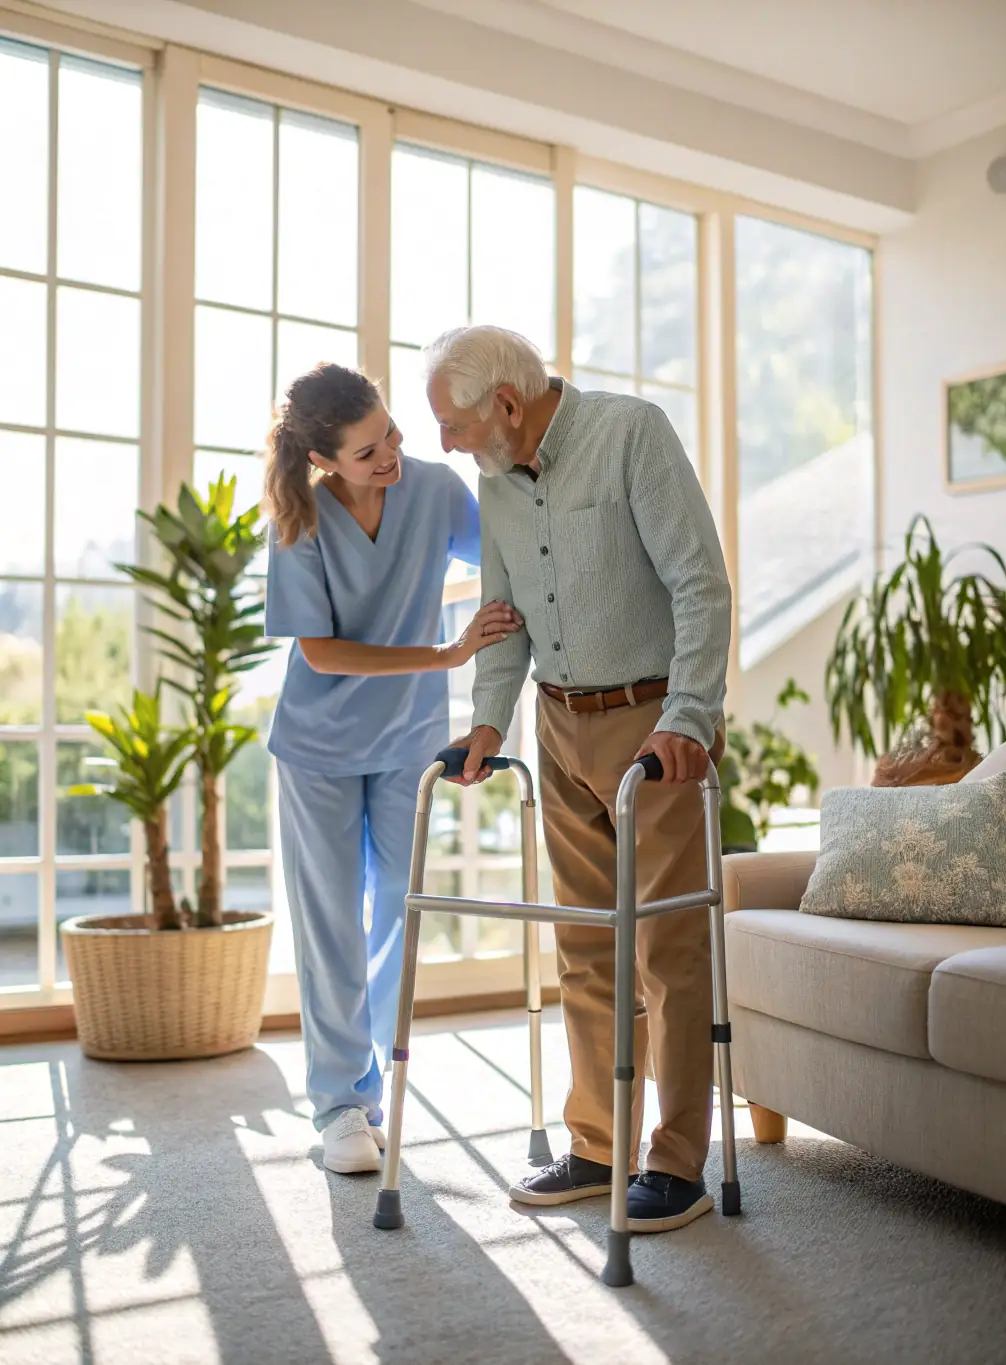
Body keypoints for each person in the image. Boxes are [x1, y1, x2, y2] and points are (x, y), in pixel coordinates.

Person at [425, 326, 732, 1234]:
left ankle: (677, 1163)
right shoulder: (494, 479)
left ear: (507, 406)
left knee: (666, 949)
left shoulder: (633, 434)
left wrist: (689, 717)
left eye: (452, 422)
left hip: (653, 729)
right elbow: (505, 614)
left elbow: (700, 585)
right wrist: (488, 723)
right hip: (559, 726)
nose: (444, 440)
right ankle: (598, 1145)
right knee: (583, 947)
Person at [263, 362, 522, 1176]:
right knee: (331, 922)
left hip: (407, 739)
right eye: (369, 449)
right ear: (323, 460)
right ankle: (340, 1103)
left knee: (398, 914)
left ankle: (375, 1083)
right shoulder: (299, 520)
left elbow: (513, 545)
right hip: (318, 746)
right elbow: (320, 650)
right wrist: (445, 653)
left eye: (392, 431)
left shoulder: (436, 491)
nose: (393, 454)